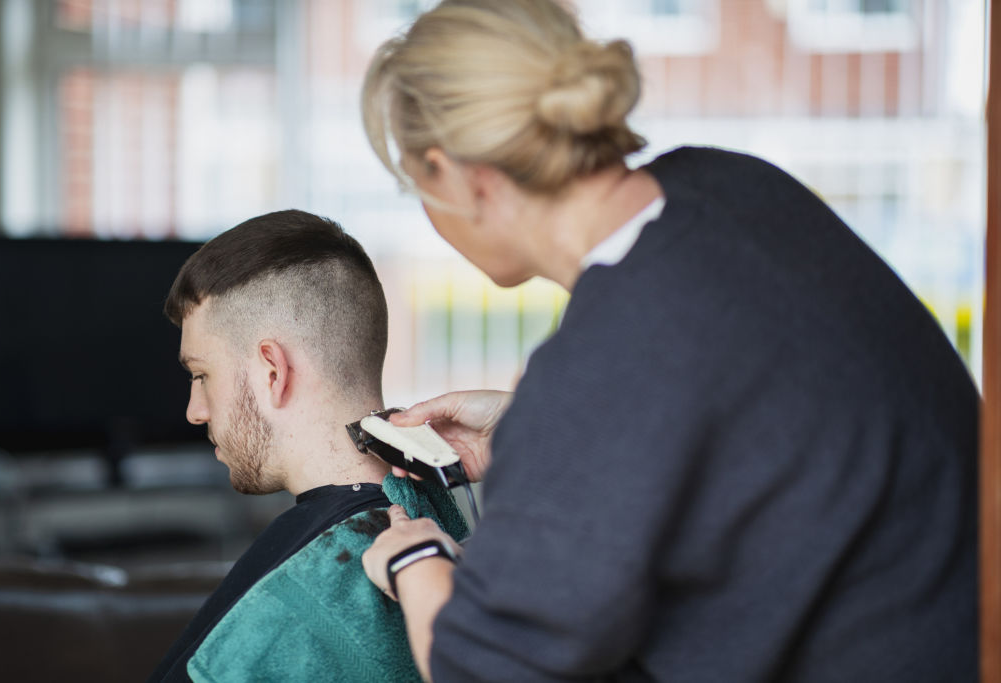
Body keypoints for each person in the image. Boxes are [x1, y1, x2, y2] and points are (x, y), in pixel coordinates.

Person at [357, 1, 980, 681]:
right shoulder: (734, 186)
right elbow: (748, 418)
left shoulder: (602, 363)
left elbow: (488, 666)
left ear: (461, 177)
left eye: (414, 183)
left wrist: (416, 560)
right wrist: (524, 433)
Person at [148, 209, 468, 682]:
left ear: (272, 372)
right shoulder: (431, 521)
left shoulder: (304, 596)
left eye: (201, 375)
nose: (195, 410)